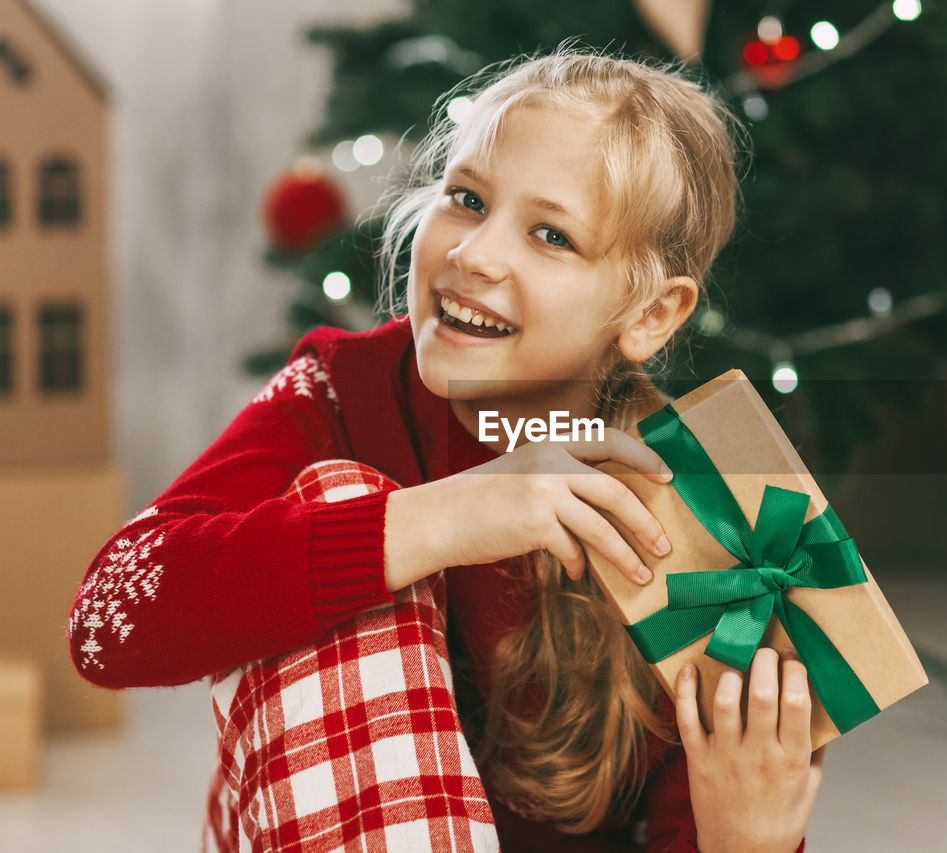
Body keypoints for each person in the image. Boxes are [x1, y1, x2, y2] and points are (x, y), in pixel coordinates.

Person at [69, 48, 825, 852]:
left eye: (550, 235)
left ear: (649, 314)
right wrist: (447, 517)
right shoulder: (337, 395)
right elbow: (106, 621)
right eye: (466, 199)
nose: (473, 254)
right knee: (338, 494)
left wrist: (749, 838)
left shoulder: (706, 512)